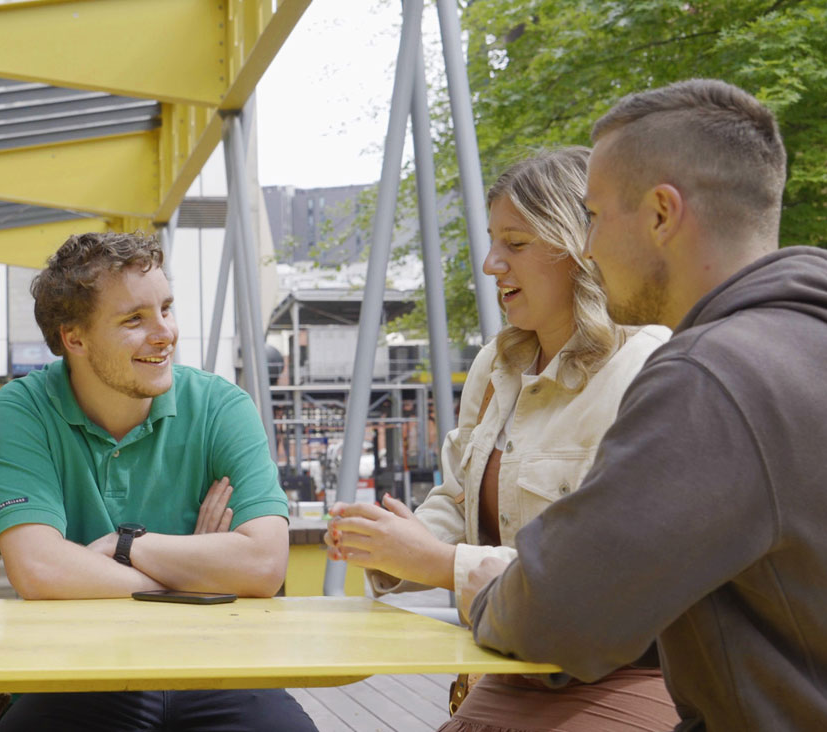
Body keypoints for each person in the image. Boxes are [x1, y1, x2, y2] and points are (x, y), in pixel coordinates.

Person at [451, 79, 827, 729]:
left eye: (594, 215)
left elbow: (558, 611)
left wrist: (485, 593)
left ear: (660, 214)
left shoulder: (709, 379)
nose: (588, 247)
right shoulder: (800, 343)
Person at [325, 147, 677, 731]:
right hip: (517, 664)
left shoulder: (647, 366)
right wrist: (390, 546)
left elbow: (605, 575)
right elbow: (462, 497)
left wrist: (438, 563)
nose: (490, 264)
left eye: (514, 243)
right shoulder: (498, 362)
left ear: (577, 248)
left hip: (624, 671)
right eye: (493, 241)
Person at [0, 232, 316, 731]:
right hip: (78, 670)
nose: (165, 333)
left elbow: (264, 563)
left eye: (166, 308)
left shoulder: (222, 407)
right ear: (74, 338)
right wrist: (196, 581)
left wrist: (124, 545)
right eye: (134, 319)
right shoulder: (24, 408)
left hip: (218, 665)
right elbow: (38, 569)